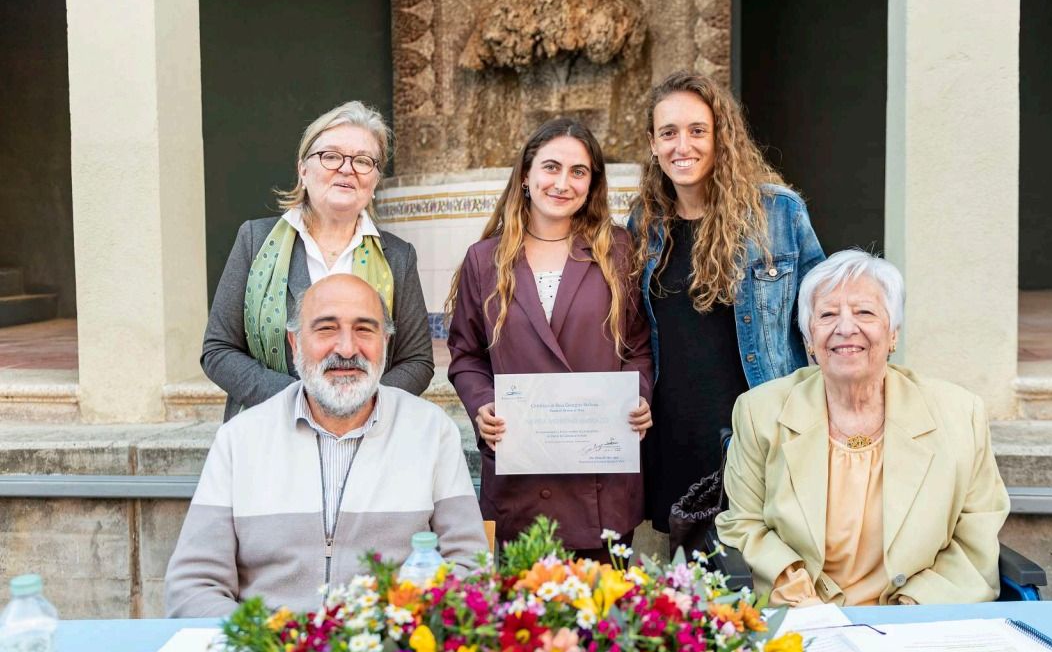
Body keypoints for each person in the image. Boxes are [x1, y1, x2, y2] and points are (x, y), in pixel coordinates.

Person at [165, 275, 487, 617]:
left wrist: (401, 638)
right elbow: (193, 586)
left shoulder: (431, 431)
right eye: (326, 329)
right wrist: (268, 644)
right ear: (295, 342)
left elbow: (470, 568)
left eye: (364, 329)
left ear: (385, 343)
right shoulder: (240, 439)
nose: (347, 349)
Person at [716, 250, 1011, 606]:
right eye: (827, 315)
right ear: (809, 339)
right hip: (803, 619)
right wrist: (794, 592)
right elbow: (743, 524)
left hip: (919, 622)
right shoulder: (759, 411)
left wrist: (913, 610)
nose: (845, 328)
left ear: (893, 334)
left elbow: (975, 534)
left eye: (864, 313)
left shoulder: (960, 414)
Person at [628, 70, 826, 537]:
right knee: (690, 583)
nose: (683, 146)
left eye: (698, 130)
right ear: (653, 144)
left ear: (722, 137)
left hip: (758, 431)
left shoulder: (778, 213)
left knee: (757, 576)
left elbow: (823, 314)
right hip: (673, 433)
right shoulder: (644, 222)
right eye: (669, 133)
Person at [446, 118, 653, 560]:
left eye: (578, 172)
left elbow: (638, 346)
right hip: (521, 478)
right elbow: (465, 355)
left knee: (602, 619)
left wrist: (638, 398)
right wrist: (483, 404)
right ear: (526, 175)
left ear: (592, 182)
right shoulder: (485, 260)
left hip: (600, 483)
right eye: (551, 167)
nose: (563, 183)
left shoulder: (617, 250)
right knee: (524, 625)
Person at [202, 100, 433, 421]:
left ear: (375, 179)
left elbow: (417, 361)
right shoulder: (254, 241)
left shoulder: (398, 256)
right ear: (303, 168)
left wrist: (359, 406)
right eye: (331, 156)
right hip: (268, 428)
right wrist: (301, 402)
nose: (347, 168)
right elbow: (218, 351)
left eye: (364, 160)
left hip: (367, 434)